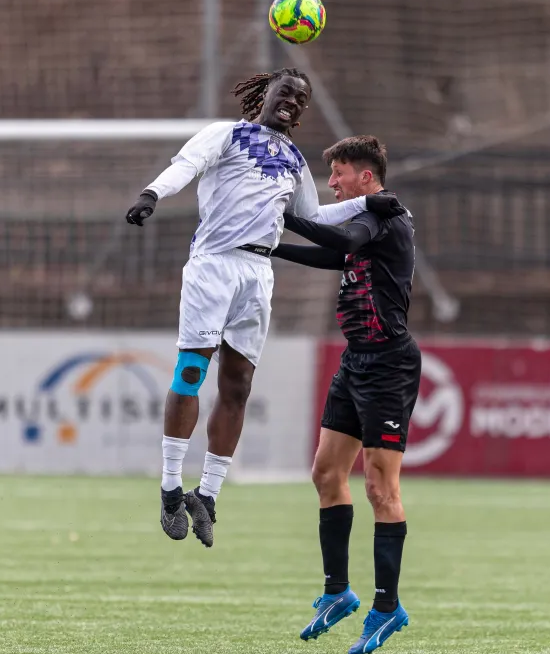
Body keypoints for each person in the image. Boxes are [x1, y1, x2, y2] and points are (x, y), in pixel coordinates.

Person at [125, 69, 406, 549]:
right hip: (213, 265)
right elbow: (186, 165)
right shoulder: (228, 133)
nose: (292, 102)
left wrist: (371, 203)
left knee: (237, 386)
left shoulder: (295, 159)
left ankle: (208, 495)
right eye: (285, 93)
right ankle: (171, 487)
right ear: (265, 94)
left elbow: (313, 217)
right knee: (192, 371)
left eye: (301, 99)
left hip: (258, 274)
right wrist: (152, 193)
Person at [270, 135, 419, 654]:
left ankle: (387, 606)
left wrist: (283, 216)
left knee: (381, 487)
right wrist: (267, 247)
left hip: (389, 367)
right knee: (326, 474)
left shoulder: (384, 216)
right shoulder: (367, 223)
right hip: (355, 361)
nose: (330, 184)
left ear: (366, 176)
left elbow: (344, 241)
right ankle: (338, 592)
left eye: (338, 173)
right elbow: (336, 257)